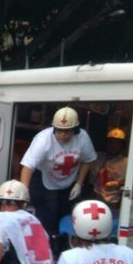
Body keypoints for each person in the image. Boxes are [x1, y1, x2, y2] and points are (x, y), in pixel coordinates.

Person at [19, 107, 97, 253]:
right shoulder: (43, 140)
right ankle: (44, 252)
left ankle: (63, 250)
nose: (62, 134)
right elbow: (28, 166)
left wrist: (79, 183)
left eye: (67, 131)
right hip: (44, 180)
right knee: (47, 217)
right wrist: (23, 192)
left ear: (75, 130)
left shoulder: (82, 138)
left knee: (66, 217)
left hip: (69, 181)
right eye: (59, 130)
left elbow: (88, 159)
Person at [92, 128, 128, 206]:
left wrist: (119, 183)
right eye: (110, 143)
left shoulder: (126, 162)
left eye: (116, 143)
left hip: (115, 199)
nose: (113, 146)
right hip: (96, 196)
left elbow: (131, 183)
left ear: (122, 146)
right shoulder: (97, 156)